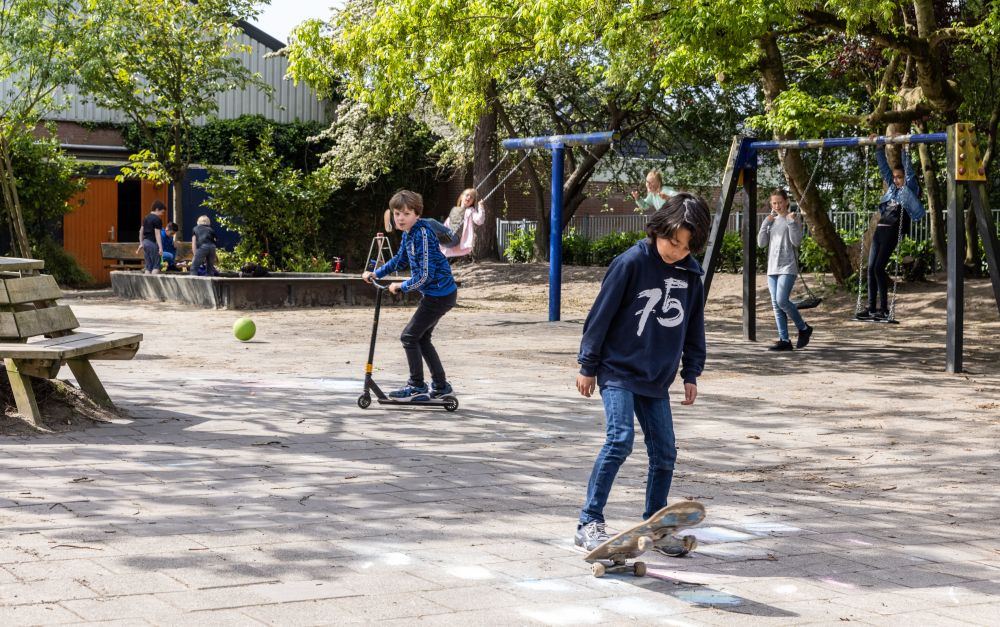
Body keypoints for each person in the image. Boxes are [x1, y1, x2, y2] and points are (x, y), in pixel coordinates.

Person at [574, 192, 711, 557]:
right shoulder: (631, 262)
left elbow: (694, 328)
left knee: (665, 453)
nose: (676, 251)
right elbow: (599, 316)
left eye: (685, 247)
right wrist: (588, 365)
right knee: (620, 440)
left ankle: (657, 524)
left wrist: (691, 372)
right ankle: (589, 520)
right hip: (617, 369)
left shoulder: (691, 275)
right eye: (671, 241)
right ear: (657, 228)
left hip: (656, 379)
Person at [363, 190, 458, 401]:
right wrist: (375, 273)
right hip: (437, 294)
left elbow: (425, 275)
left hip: (439, 294)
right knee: (421, 338)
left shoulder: (422, 234)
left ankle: (417, 386)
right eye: (397, 214)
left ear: (417, 214)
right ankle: (441, 386)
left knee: (409, 337)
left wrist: (402, 286)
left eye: (406, 213)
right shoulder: (409, 234)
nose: (400, 218)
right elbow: (399, 260)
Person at [857, 143, 925, 320]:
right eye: (895, 178)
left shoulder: (909, 190)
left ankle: (884, 309)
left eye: (899, 177)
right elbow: (884, 171)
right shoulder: (892, 191)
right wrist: (879, 149)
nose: (896, 180)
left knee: (879, 268)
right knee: (871, 269)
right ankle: (871, 308)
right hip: (879, 232)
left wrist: (904, 149)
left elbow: (909, 172)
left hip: (893, 232)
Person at [757, 189, 813, 351]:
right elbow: (761, 243)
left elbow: (796, 242)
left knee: (782, 300)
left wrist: (790, 222)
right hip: (772, 268)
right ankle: (784, 340)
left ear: (787, 201)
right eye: (774, 203)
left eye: (780, 202)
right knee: (776, 304)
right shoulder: (771, 220)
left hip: (787, 267)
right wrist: (765, 223)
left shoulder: (793, 219)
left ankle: (803, 328)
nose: (777, 206)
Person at [440, 188, 486, 258]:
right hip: (447, 236)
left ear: (472, 202)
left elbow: (480, 220)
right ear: (461, 196)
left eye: (471, 197)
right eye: (467, 195)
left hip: (454, 239)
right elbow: (446, 225)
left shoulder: (470, 211)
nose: (469, 198)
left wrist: (481, 207)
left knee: (431, 222)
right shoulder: (454, 210)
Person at [136, 200, 166, 274]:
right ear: (157, 209)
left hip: (145, 242)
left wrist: (141, 243)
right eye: (162, 212)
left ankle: (147, 285)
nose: (162, 214)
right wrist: (160, 248)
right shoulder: (157, 219)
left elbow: (141, 231)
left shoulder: (145, 218)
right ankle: (153, 285)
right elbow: (157, 234)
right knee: (156, 266)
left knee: (148, 267)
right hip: (152, 243)